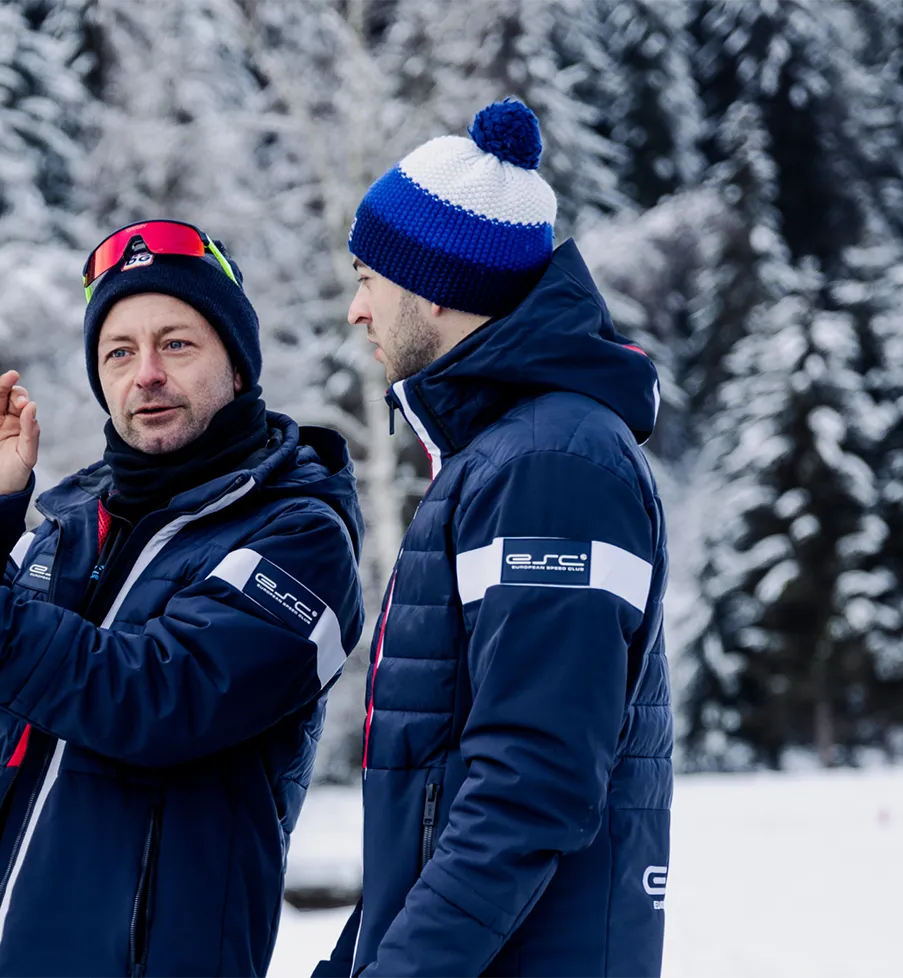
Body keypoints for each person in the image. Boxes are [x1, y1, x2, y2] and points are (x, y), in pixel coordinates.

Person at [0, 220, 367, 978]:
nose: (145, 373)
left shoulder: (299, 535)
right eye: (119, 352)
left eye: (176, 344)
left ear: (239, 366)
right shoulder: (74, 522)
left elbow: (159, 698)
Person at [315, 99, 673, 978]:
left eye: (369, 277)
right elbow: (444, 794)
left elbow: (530, 785)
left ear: (432, 285)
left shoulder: (554, 465)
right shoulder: (502, 457)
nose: (358, 309)